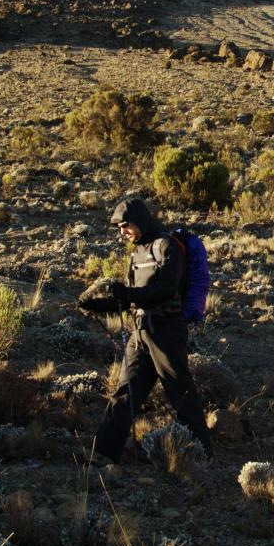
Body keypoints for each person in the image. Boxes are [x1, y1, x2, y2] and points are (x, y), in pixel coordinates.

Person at [78, 197, 208, 463]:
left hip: (166, 332)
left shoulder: (166, 245)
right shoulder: (137, 253)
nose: (122, 232)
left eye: (125, 225)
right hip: (140, 332)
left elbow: (165, 289)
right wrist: (98, 305)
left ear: (139, 220)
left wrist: (126, 294)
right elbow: (131, 298)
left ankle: (201, 452)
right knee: (125, 392)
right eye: (118, 228)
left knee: (179, 391)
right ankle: (102, 453)